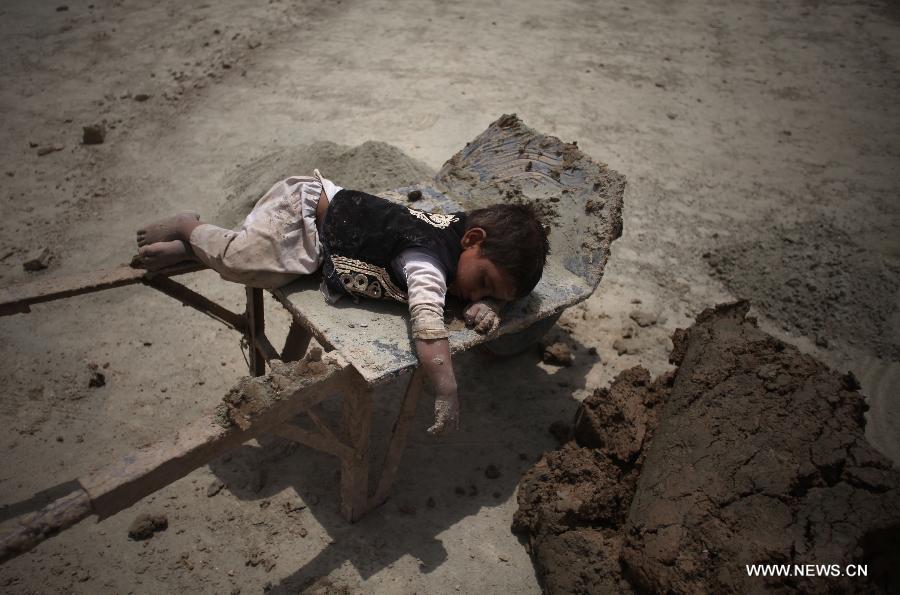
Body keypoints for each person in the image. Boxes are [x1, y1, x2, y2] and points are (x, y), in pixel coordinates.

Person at [135, 170, 549, 434]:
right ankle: (190, 228)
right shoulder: (427, 261)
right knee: (238, 260)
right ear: (472, 241)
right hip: (304, 217)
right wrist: (447, 389)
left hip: (323, 247)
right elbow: (427, 327)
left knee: (265, 268)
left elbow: (474, 291)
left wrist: (487, 306)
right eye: (482, 283)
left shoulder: (462, 235)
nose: (476, 296)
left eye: (489, 295)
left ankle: (191, 250)